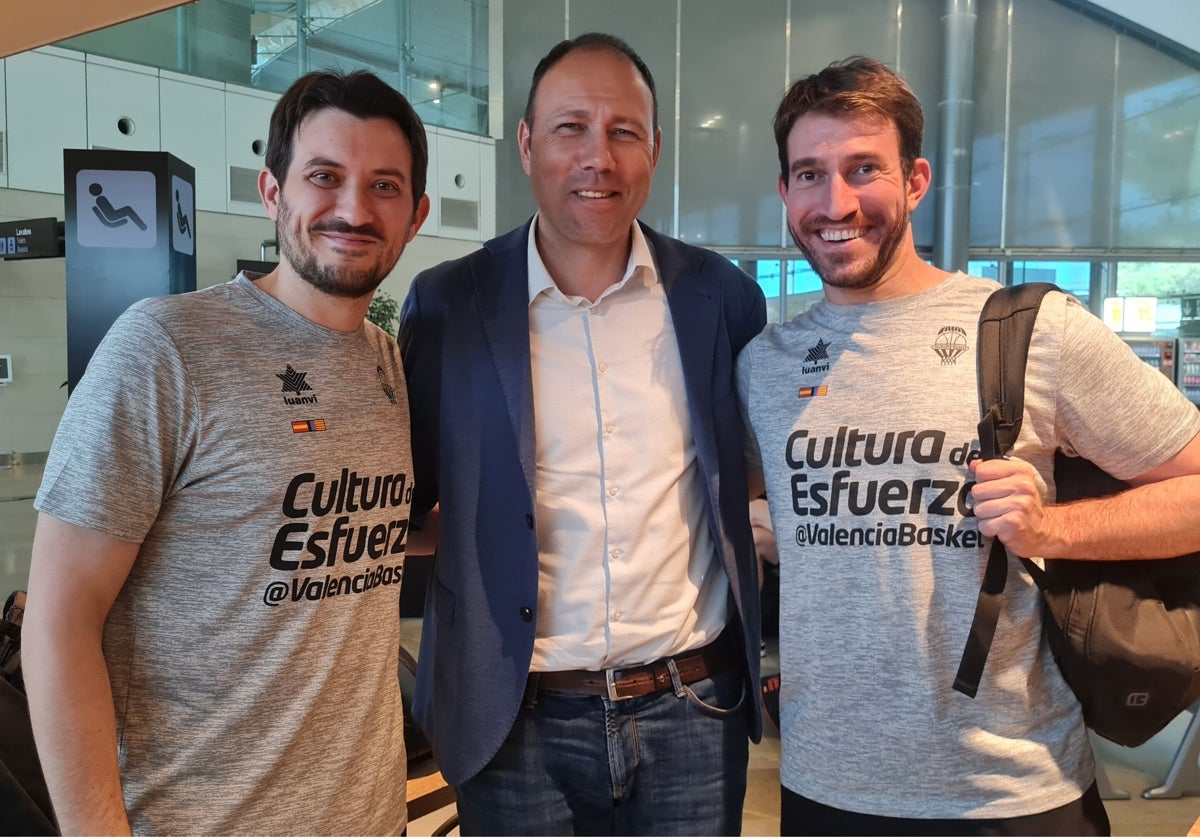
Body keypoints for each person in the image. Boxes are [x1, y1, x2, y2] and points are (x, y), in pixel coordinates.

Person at [738, 56, 1200, 836]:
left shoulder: (1028, 330)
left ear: (916, 181)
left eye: (863, 170)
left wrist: (1054, 531)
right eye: (810, 174)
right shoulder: (765, 365)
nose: (836, 202)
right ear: (785, 193)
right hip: (824, 788)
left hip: (1012, 791)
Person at [23, 69, 431, 835]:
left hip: (370, 818)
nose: (353, 208)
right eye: (324, 176)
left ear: (417, 215)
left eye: (384, 185)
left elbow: (342, 529)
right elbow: (59, 617)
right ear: (272, 191)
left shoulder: (389, 363)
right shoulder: (167, 347)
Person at [399, 32, 766, 836]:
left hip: (693, 708)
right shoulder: (447, 304)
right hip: (514, 718)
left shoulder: (721, 300)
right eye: (570, 128)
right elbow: (410, 498)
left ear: (654, 149)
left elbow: (748, 473)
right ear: (528, 144)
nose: (597, 156)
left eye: (623, 131)